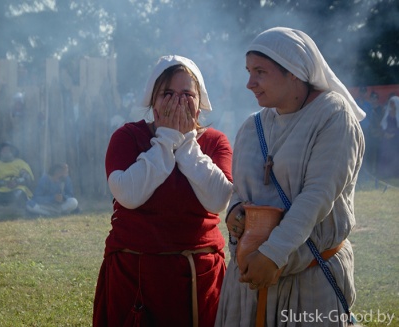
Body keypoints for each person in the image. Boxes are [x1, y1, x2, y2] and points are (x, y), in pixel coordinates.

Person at [215, 27, 365, 327]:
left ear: (294, 72)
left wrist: (272, 255)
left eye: (260, 72)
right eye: (248, 71)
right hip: (249, 280)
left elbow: (317, 196)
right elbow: (240, 193)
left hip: (310, 279)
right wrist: (235, 213)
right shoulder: (251, 126)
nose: (249, 83)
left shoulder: (333, 117)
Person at [93, 55, 233, 327]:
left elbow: (218, 200)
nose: (177, 102)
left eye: (186, 94)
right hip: (135, 275)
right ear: (153, 102)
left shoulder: (215, 141)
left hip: (198, 276)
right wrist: (166, 139)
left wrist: (186, 143)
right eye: (167, 94)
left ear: (199, 103)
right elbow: (128, 195)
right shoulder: (127, 137)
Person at [377, 96, 399, 179]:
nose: (391, 104)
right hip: (387, 137)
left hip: (396, 138)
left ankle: (395, 173)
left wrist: (394, 134)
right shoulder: (387, 112)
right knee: (385, 154)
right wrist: (385, 132)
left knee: (395, 155)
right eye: (390, 102)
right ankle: (385, 173)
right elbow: (383, 124)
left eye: (393, 103)